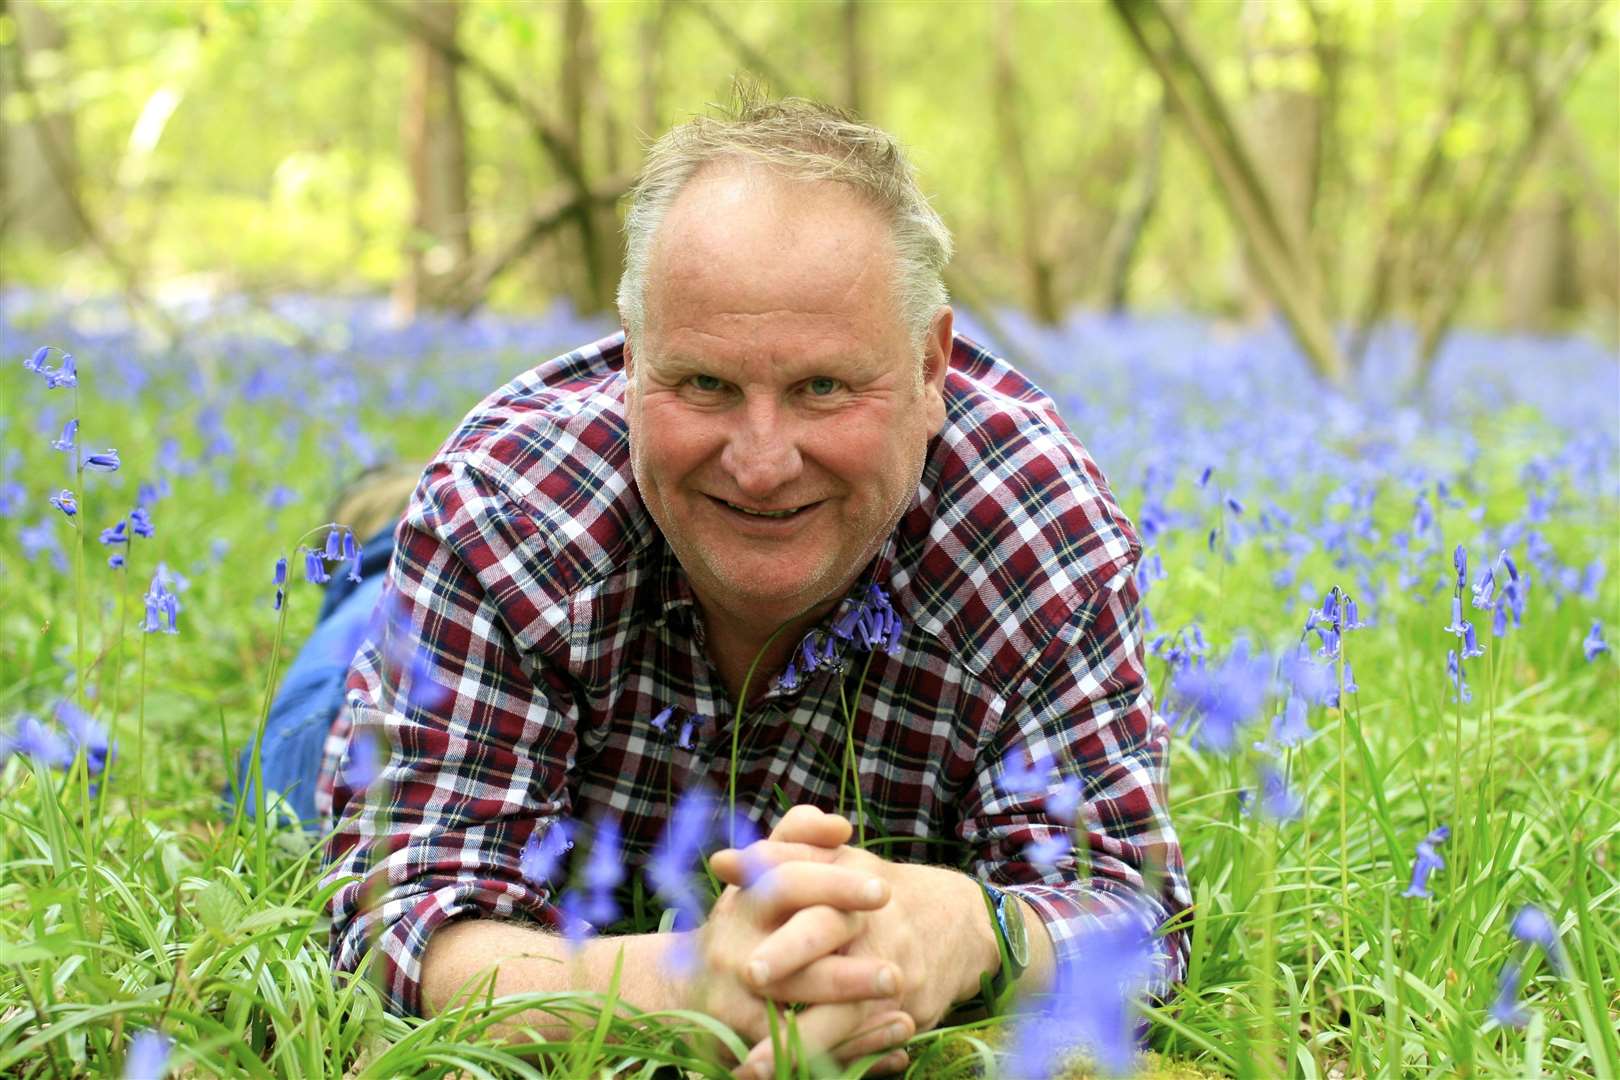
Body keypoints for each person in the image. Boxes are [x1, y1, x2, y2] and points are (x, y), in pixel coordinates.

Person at [319, 95, 1190, 1078]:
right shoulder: (503, 519)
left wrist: (965, 928)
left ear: (931, 364)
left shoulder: (1039, 539)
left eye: (822, 387)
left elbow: (1133, 906)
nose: (764, 461)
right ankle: (377, 528)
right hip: (469, 596)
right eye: (704, 386)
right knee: (326, 687)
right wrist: (684, 985)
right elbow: (389, 915)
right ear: (631, 355)